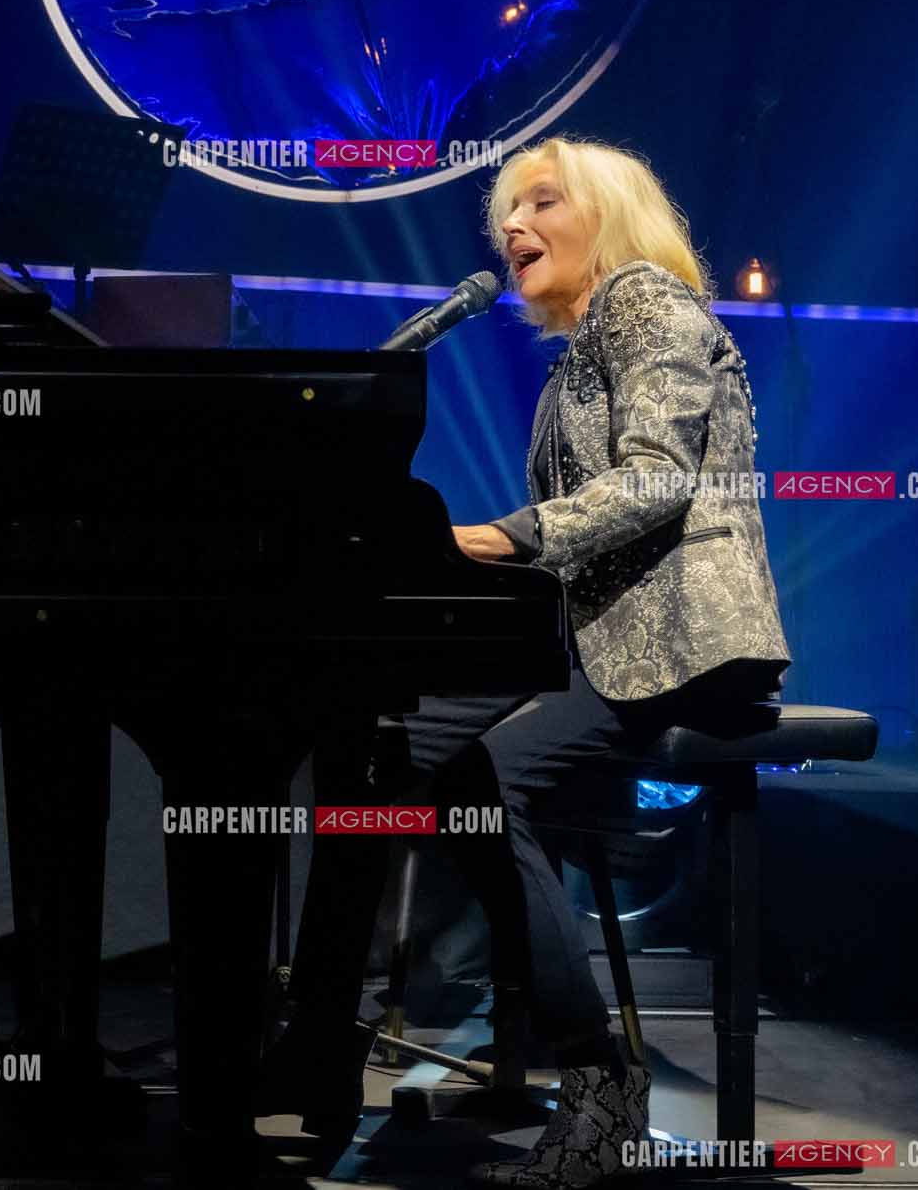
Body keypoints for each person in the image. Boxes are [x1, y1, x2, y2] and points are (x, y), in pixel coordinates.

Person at [266, 138, 792, 1188]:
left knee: (481, 783)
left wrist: (493, 537)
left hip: (682, 639)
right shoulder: (582, 345)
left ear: (607, 215)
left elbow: (651, 484)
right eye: (502, 212)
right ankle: (319, 1042)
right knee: (372, 744)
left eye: (539, 203)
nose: (510, 228)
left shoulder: (644, 302)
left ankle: (600, 1088)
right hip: (597, 633)